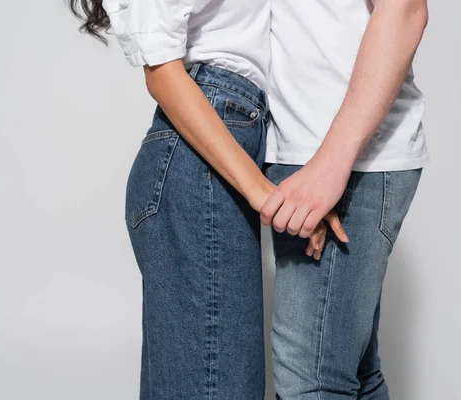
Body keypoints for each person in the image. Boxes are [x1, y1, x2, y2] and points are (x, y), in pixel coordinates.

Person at [68, 0, 347, 398]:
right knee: (218, 386)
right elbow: (162, 73)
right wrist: (264, 194)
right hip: (202, 155)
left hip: (221, 145)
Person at [260, 0, 429, 398]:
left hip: (343, 157)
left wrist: (330, 164)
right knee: (354, 374)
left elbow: (405, 8)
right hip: (311, 151)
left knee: (312, 378)